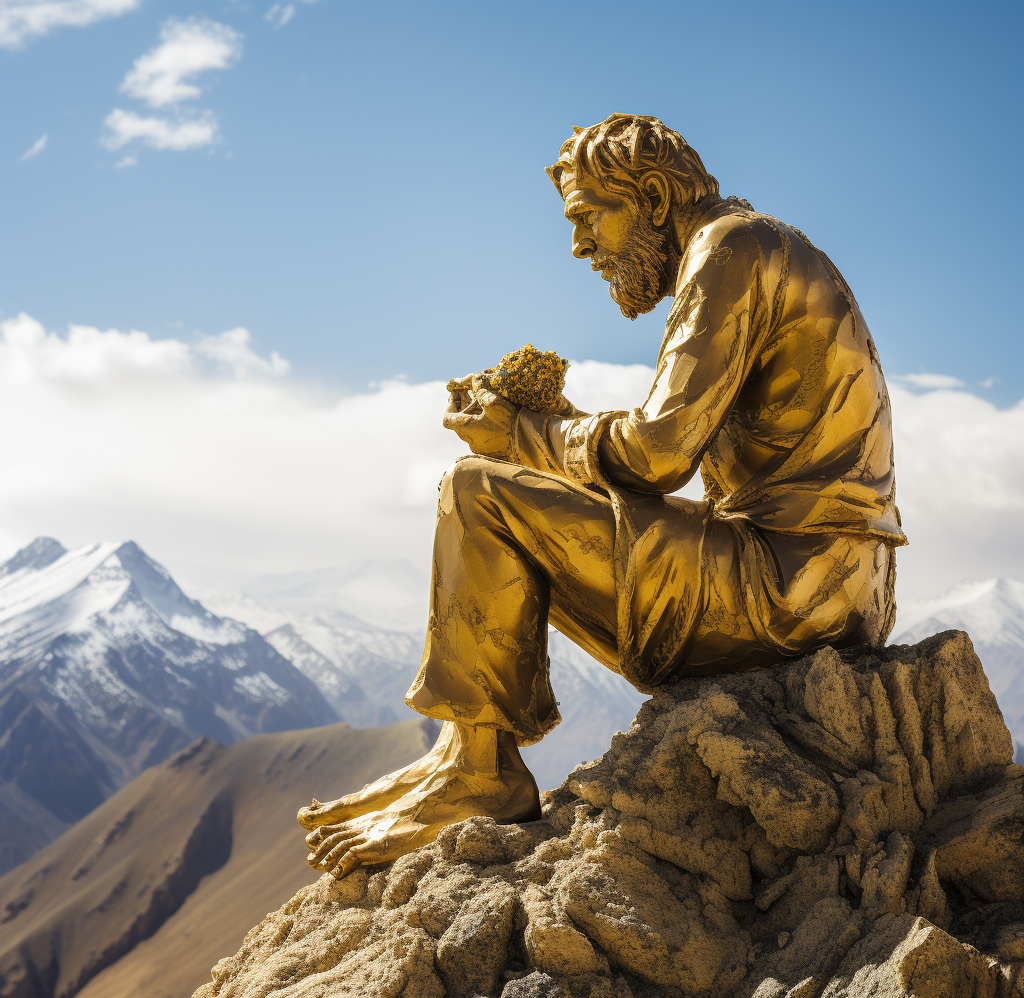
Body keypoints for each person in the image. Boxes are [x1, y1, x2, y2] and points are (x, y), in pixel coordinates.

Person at [299, 113, 907, 879]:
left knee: (480, 492)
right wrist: (550, 438)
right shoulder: (754, 249)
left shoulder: (731, 250)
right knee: (518, 503)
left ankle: (480, 774)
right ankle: (462, 753)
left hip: (789, 585)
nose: (581, 248)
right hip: (827, 582)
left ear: (652, 197)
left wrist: (529, 434)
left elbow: (658, 453)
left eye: (588, 219)